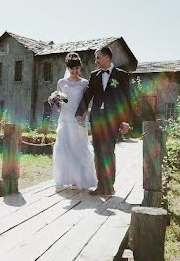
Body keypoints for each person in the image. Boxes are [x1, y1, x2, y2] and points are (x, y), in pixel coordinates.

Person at [76, 46, 135, 196]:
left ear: (107, 57)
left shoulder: (121, 75)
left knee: (108, 151)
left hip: (112, 120)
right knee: (98, 152)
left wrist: (126, 121)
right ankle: (101, 185)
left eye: (98, 57)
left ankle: (109, 185)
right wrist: (79, 113)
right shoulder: (94, 75)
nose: (96, 61)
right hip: (97, 119)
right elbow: (88, 95)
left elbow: (127, 99)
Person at [51, 52, 98, 189]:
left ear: (80, 68)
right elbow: (59, 101)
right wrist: (54, 101)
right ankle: (68, 178)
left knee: (79, 147)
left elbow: (86, 103)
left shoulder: (84, 83)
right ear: (67, 68)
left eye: (77, 68)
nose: (74, 71)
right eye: (71, 68)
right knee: (64, 148)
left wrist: (83, 117)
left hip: (78, 119)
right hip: (65, 119)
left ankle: (80, 178)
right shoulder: (61, 82)